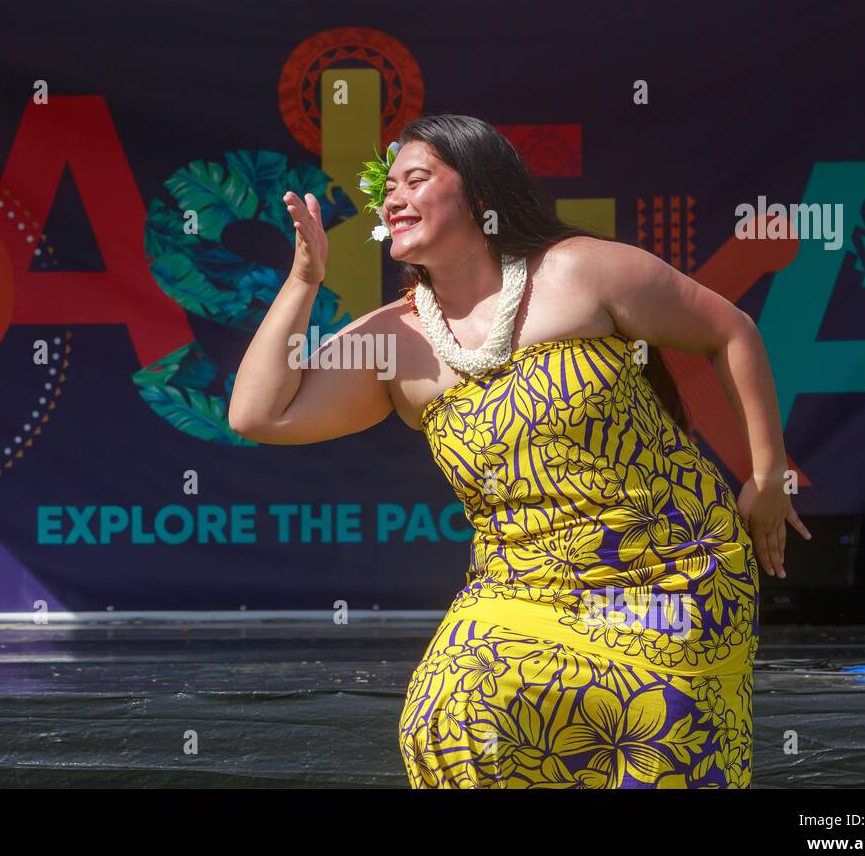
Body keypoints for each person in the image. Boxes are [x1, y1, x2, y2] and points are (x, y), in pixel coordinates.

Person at [228, 113, 810, 788]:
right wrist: (304, 279)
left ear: (478, 193)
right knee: (449, 714)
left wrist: (766, 476)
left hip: (670, 577)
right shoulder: (395, 342)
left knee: (656, 756)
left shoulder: (581, 272)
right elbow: (258, 413)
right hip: (521, 588)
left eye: (416, 178)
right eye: (387, 188)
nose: (393, 198)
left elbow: (729, 331)